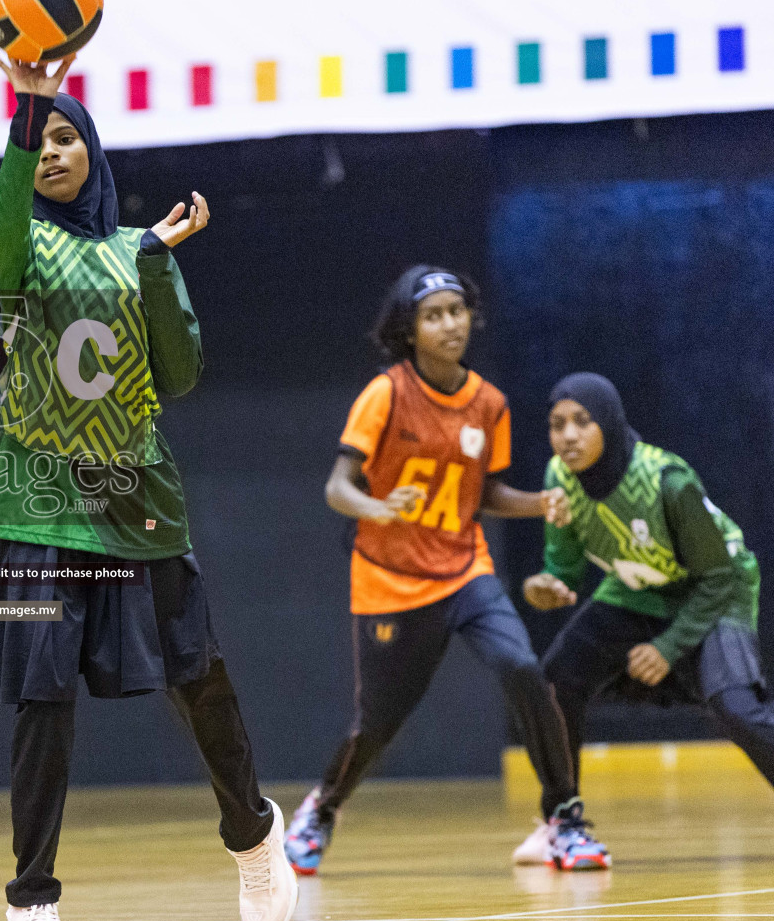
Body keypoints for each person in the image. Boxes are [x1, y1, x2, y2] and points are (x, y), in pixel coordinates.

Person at [0, 54, 297, 921]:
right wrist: (29, 103)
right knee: (41, 693)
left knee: (196, 674)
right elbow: (3, 236)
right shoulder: (16, 248)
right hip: (38, 502)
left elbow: (182, 372)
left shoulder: (136, 250)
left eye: (67, 135)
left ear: (96, 154)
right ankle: (30, 902)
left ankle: (253, 835)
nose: (50, 150)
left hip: (137, 495)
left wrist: (152, 262)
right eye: (39, 138)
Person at [282, 266, 611, 875]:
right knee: (379, 722)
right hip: (389, 581)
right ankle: (322, 810)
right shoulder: (386, 393)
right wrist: (379, 507)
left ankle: (565, 817)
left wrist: (537, 504)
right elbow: (337, 486)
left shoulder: (488, 403)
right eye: (433, 315)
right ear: (410, 331)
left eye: (456, 311)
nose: (449, 324)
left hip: (465, 571)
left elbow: (485, 494)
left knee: (521, 666)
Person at [525, 373, 774, 801]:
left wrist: (668, 647)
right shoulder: (558, 479)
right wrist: (545, 585)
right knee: (554, 683)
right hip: (638, 590)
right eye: (557, 423)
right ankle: (563, 820)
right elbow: (564, 569)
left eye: (582, 421)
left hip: (718, 589)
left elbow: (717, 576)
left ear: (609, 421)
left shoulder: (666, 482)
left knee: (735, 708)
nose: (568, 436)